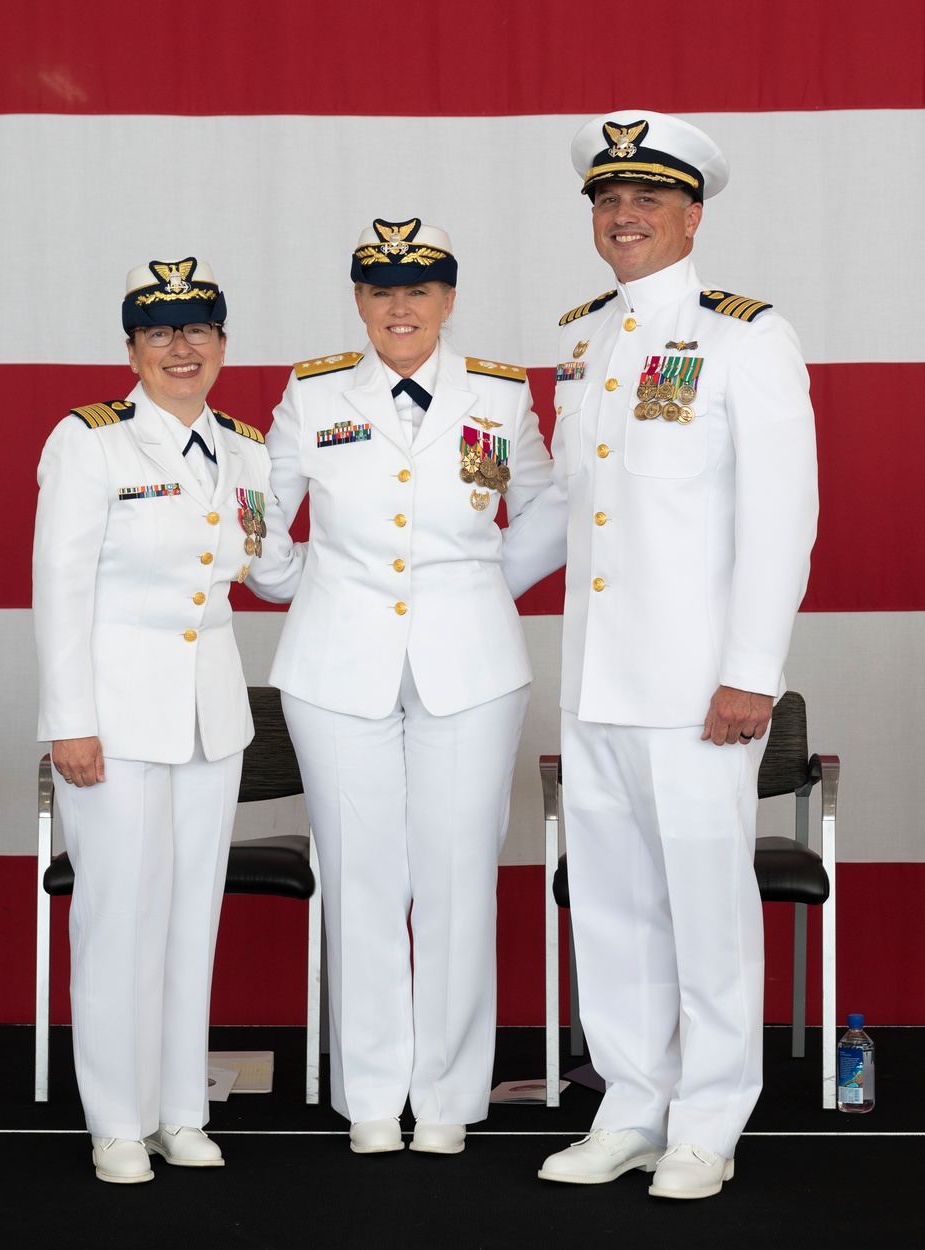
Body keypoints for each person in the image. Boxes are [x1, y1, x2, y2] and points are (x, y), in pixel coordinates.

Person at [502, 112, 819, 1199]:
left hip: (696, 685)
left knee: (704, 904)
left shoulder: (745, 335)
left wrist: (751, 670)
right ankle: (631, 1104)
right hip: (596, 677)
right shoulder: (582, 335)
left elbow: (782, 519)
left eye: (644, 200)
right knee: (612, 902)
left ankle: (708, 1119)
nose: (621, 217)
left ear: (692, 213)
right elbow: (566, 511)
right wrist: (453, 582)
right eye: (605, 200)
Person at [262, 218, 552, 1155]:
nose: (400, 306)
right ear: (358, 300)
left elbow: (544, 507)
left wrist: (473, 590)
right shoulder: (313, 395)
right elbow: (265, 516)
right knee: (361, 879)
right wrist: (310, 587)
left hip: (469, 664)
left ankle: (449, 1100)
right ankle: (374, 1097)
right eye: (381, 289)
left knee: (459, 880)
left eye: (418, 289)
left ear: (448, 300)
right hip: (335, 665)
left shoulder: (500, 397)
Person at [32, 257, 303, 1183]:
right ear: (133, 350)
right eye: (160, 334)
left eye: (198, 332)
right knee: (118, 916)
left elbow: (271, 571)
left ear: (224, 345)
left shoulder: (248, 447)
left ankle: (180, 1111)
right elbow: (58, 592)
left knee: (193, 918)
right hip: (112, 715)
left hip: (210, 717)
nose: (181, 350)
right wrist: (69, 721)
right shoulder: (90, 442)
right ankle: (116, 1121)